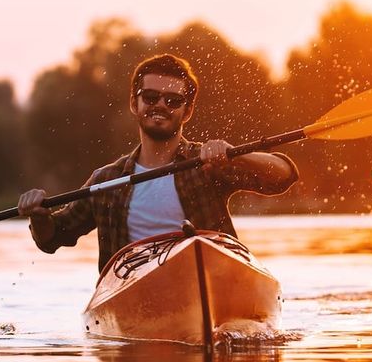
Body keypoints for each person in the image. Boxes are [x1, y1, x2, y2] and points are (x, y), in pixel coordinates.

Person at [17, 53, 299, 271]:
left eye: (173, 100)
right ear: (134, 103)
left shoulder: (208, 164)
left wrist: (235, 154)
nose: (161, 105)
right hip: (133, 288)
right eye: (150, 97)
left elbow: (283, 176)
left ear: (187, 111)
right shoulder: (106, 180)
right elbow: (52, 238)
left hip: (212, 273)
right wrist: (38, 216)